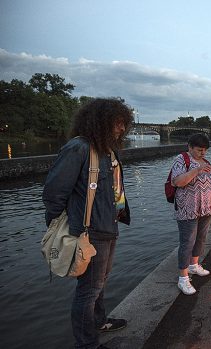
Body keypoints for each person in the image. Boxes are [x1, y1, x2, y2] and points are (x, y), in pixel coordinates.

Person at [42, 98, 133, 348]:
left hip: (108, 227)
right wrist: (64, 228)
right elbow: (54, 194)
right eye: (117, 123)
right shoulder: (79, 148)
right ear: (100, 122)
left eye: (124, 124)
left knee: (99, 282)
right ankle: (87, 343)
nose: (121, 129)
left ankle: (99, 321)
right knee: (88, 290)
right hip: (88, 232)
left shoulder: (107, 150)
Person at [171, 133, 211, 295]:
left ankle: (194, 265)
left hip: (206, 207)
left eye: (205, 150)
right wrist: (197, 170)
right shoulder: (182, 160)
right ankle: (183, 278)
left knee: (201, 237)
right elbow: (177, 182)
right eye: (199, 150)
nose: (203, 153)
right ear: (190, 147)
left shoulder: (206, 162)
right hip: (188, 207)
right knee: (187, 241)